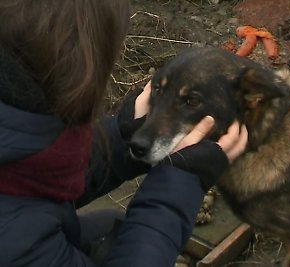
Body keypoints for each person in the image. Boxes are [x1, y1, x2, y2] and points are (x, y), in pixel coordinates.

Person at [0, 1, 248, 267]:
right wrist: (181, 180)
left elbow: (33, 172)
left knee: (109, 229)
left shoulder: (18, 109)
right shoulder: (14, 239)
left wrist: (123, 133)